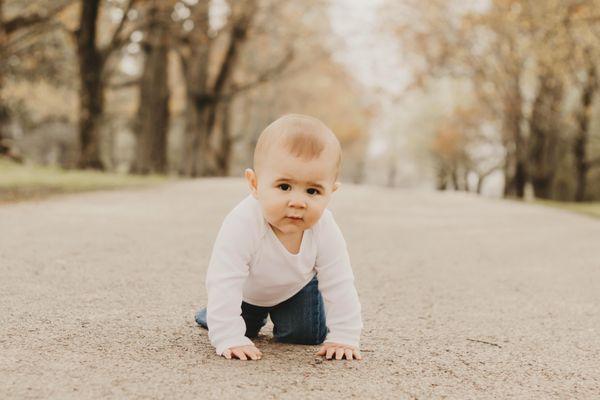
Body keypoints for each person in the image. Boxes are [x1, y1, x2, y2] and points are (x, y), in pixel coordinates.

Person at [195, 114, 363, 361]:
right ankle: (212, 315)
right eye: (284, 187)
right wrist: (229, 336)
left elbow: (339, 281)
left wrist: (345, 336)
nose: (297, 202)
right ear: (255, 184)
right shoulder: (244, 221)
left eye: (313, 191)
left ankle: (280, 316)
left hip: (297, 290)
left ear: (331, 193)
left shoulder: (324, 226)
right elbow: (225, 278)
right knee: (239, 330)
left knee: (306, 335)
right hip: (246, 294)